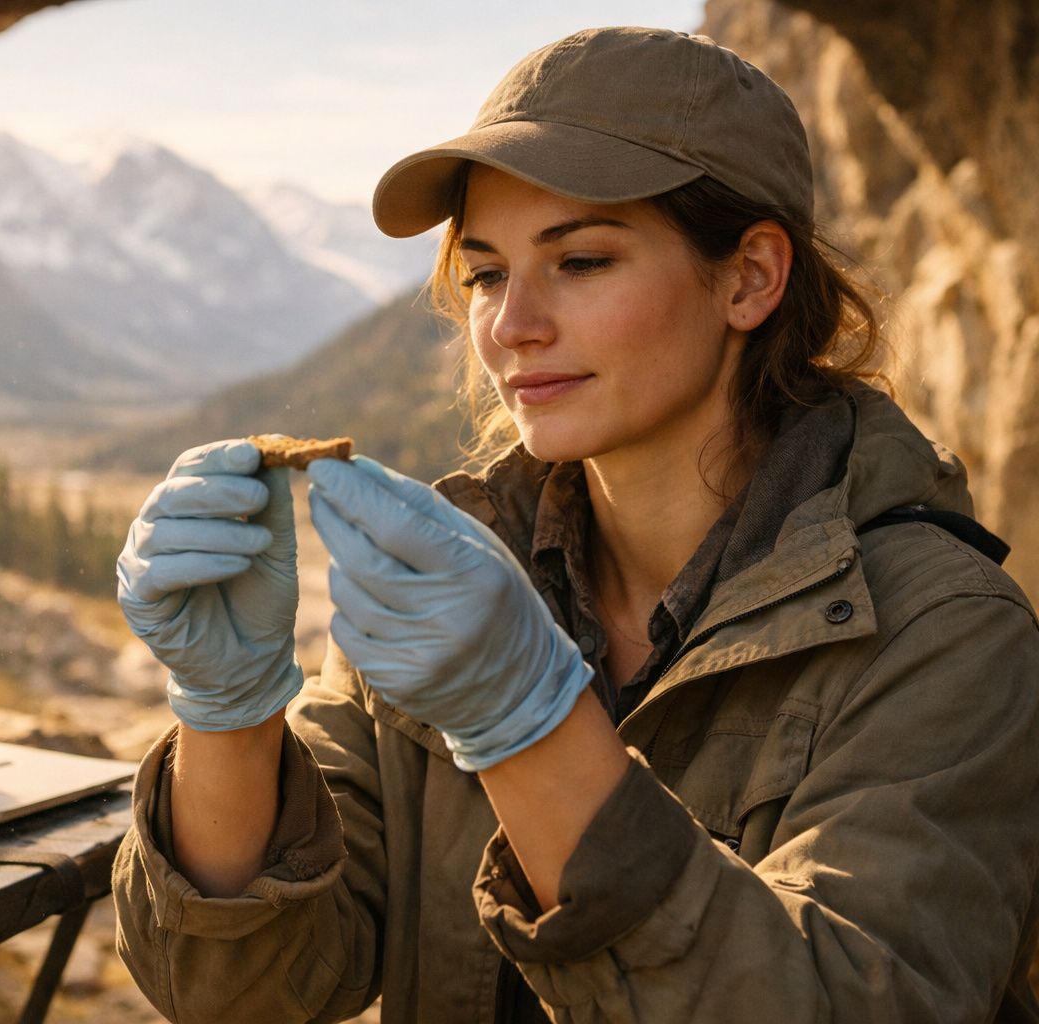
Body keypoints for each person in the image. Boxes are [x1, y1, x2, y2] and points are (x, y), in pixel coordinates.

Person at [111, 26, 1039, 1023]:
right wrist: (230, 718)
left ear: (751, 278)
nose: (513, 325)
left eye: (583, 259)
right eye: (485, 273)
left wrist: (531, 728)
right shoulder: (457, 575)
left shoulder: (946, 633)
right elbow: (239, 989)